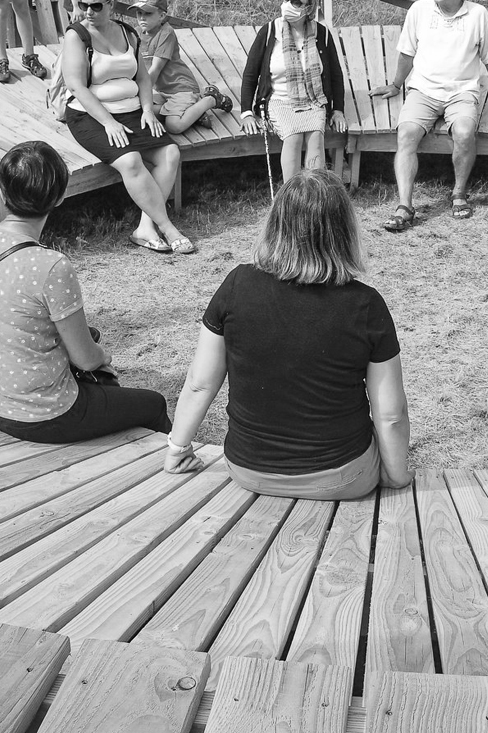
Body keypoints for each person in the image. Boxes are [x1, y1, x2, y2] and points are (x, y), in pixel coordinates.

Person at [165, 170, 412, 499]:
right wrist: (395, 476)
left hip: (247, 470)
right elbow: (391, 415)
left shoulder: (237, 284)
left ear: (275, 222)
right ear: (343, 229)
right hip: (343, 476)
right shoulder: (366, 305)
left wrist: (177, 447)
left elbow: (199, 382)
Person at [0, 141, 171, 441]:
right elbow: (86, 359)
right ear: (58, 198)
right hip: (42, 414)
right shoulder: (51, 266)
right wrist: (104, 355)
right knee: (153, 404)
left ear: (3, 192)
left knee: (88, 334)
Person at [373, 0, 488, 230]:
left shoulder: (478, 15)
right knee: (406, 133)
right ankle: (404, 206)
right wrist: (397, 85)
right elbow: (407, 52)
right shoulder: (419, 10)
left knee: (465, 132)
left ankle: (458, 193)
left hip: (462, 91)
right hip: (422, 89)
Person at [62, 0, 194, 255]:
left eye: (96, 6)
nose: (88, 11)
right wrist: (108, 122)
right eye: (84, 4)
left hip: (132, 110)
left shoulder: (128, 33)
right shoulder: (77, 35)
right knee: (131, 160)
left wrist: (148, 110)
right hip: (90, 115)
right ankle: (168, 228)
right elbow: (75, 86)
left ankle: (146, 227)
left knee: (171, 153)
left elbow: (144, 79)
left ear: (111, 5)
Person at [240, 0, 346, 183]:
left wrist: (338, 110)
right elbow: (250, 74)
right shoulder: (270, 31)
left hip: (313, 100)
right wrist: (246, 113)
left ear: (308, 9)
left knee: (316, 137)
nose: (287, 5)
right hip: (279, 100)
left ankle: (316, 194)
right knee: (294, 137)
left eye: (296, 2)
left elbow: (335, 75)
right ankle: (291, 194)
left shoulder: (321, 34)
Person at [131, 0, 233, 133]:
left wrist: (139, 90)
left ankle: (211, 99)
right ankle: (192, 112)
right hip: (162, 91)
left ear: (162, 16)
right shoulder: (135, 34)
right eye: (139, 13)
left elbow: (155, 69)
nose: (142, 18)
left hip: (180, 88)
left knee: (174, 126)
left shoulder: (166, 33)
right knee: (137, 109)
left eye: (148, 13)